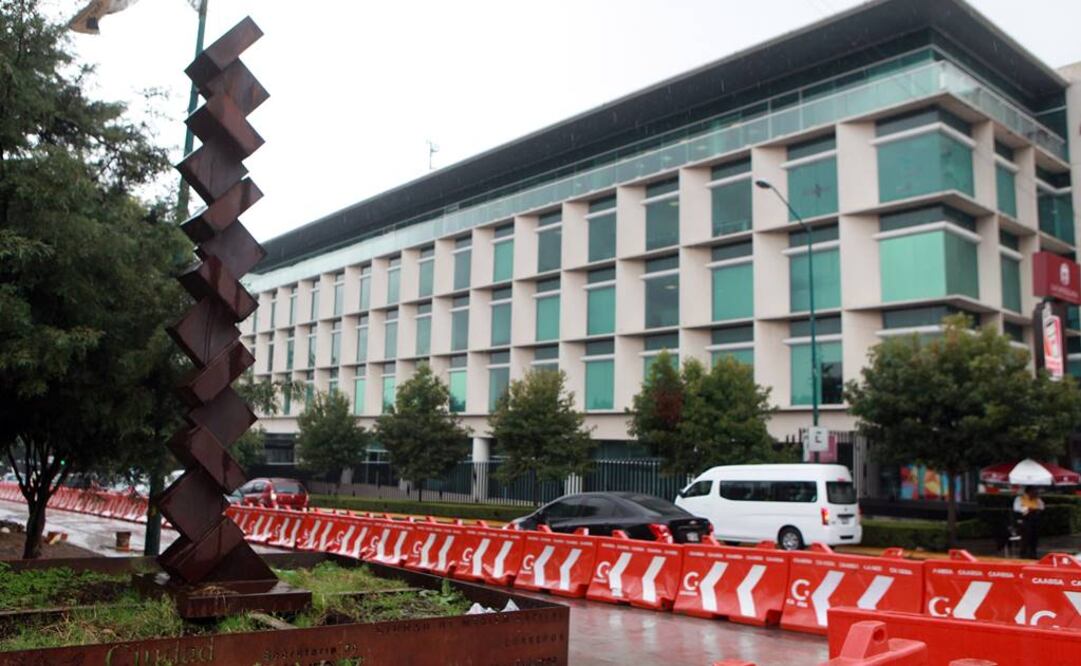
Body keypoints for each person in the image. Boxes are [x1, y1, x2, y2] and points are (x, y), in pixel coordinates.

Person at [1013, 486, 1045, 559]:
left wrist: (1035, 509)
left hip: (1034, 521)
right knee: (1025, 539)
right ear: (1029, 492)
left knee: (1034, 539)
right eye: (1034, 491)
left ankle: (1033, 554)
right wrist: (1027, 509)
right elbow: (1017, 509)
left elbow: (1042, 507)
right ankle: (1023, 555)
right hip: (1024, 521)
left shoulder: (1038, 500)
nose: (1036, 493)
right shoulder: (1020, 499)